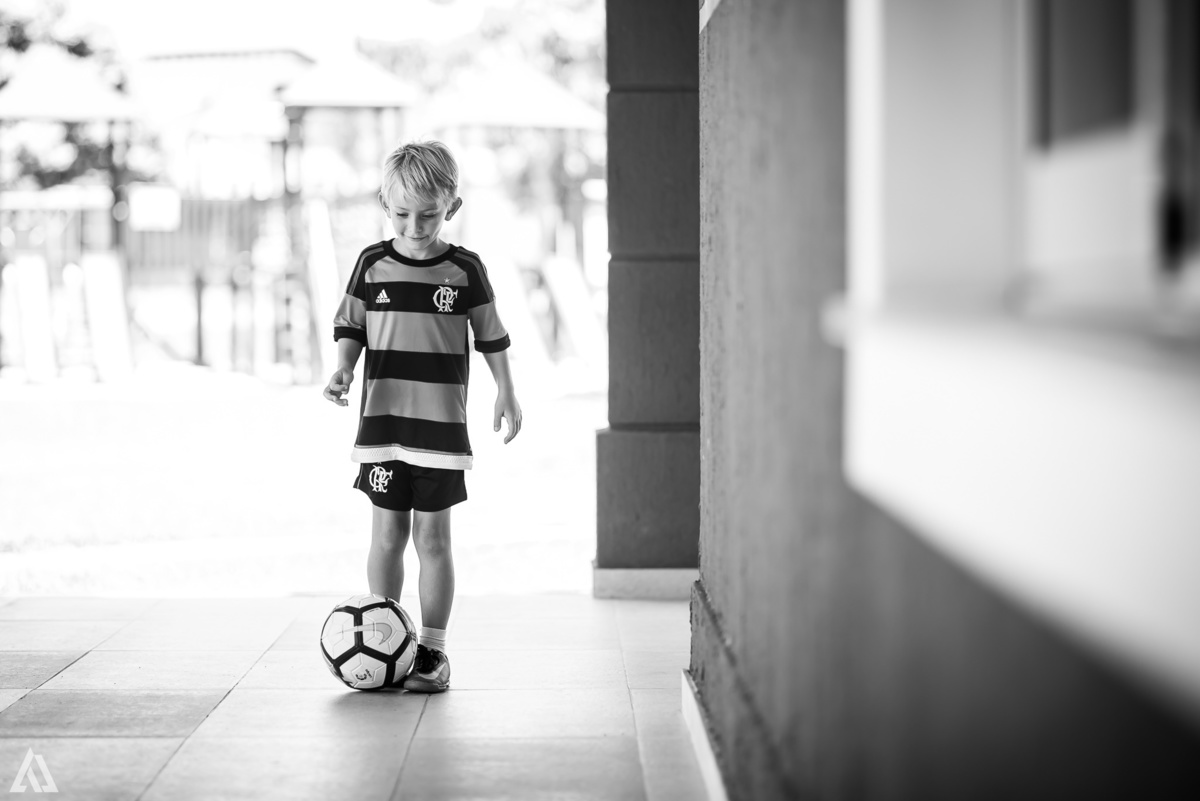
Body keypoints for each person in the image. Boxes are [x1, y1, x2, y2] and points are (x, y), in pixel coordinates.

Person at [323, 140, 522, 693]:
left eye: (429, 214)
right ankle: (386, 637)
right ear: (384, 204)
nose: (415, 225)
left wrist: (506, 390)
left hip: (440, 430)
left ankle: (432, 651)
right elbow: (350, 327)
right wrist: (342, 370)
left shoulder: (464, 270)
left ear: (451, 208)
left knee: (433, 540)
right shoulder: (370, 263)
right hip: (382, 427)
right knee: (387, 534)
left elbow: (493, 336)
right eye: (403, 213)